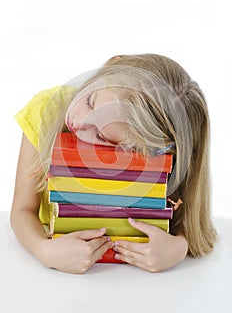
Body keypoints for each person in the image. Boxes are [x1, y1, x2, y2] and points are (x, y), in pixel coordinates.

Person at [10, 54, 217, 274]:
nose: (78, 120)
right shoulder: (45, 110)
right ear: (111, 65)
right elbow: (22, 210)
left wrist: (179, 246)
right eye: (90, 101)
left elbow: (191, 217)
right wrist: (45, 250)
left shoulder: (154, 148)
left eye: (101, 135)